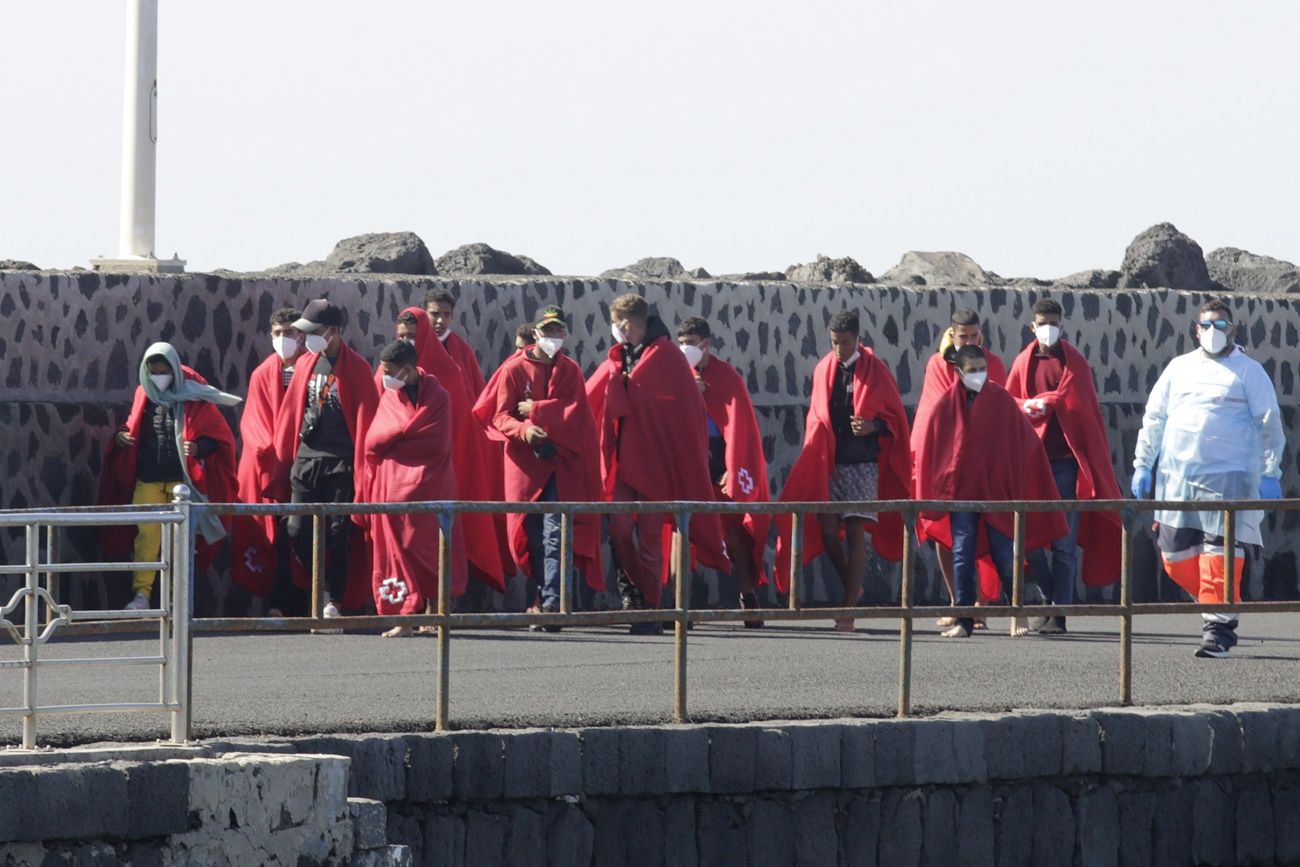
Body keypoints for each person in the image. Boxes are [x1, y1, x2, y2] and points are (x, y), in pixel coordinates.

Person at [1132, 299, 1285, 658]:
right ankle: (1218, 606)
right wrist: (1143, 463)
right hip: (1179, 479)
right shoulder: (1178, 368)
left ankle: (1218, 629)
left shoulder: (1248, 371)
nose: (1213, 332)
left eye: (1221, 325)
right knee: (1174, 556)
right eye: (1207, 325)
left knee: (1219, 554)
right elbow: (1155, 417)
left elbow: (1269, 423)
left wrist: (1269, 471)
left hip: (1229, 479)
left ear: (1232, 329)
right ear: (1195, 330)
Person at [586, 293, 730, 635]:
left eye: (617, 323)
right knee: (619, 530)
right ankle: (641, 595)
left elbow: (682, 413)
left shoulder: (666, 357)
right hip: (625, 460)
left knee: (650, 539)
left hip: (656, 464)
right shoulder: (624, 355)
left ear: (626, 323)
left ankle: (649, 608)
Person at [912, 345, 1068, 637]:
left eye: (982, 369)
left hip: (997, 491)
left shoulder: (1000, 399)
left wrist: (1019, 480)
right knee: (961, 552)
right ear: (958, 372)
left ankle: (1016, 611)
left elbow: (1024, 442)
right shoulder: (945, 405)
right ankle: (964, 619)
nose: (979, 375)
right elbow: (933, 447)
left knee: (1005, 555)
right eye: (972, 371)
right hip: (962, 493)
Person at [775, 311, 912, 631]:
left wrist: (872, 425)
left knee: (855, 534)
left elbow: (895, 418)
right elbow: (816, 416)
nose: (839, 349)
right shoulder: (825, 369)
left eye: (846, 343)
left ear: (858, 339)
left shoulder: (876, 371)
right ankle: (853, 588)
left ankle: (848, 608)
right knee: (826, 531)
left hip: (863, 464)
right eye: (835, 342)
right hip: (831, 463)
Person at [473, 307, 605, 632]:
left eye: (559, 332)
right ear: (536, 334)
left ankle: (551, 605)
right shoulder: (513, 370)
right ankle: (540, 599)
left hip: (560, 466)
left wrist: (537, 411)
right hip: (525, 468)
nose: (553, 338)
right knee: (530, 537)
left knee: (556, 536)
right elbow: (500, 415)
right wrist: (525, 431)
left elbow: (576, 413)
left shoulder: (571, 371)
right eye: (548, 332)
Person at [1006, 298, 1124, 634]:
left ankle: (1059, 613)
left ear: (1062, 325)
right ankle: (1048, 597)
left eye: (1053, 323)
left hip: (1065, 466)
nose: (1048, 329)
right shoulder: (1022, 363)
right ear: (1032, 326)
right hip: (1031, 467)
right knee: (1025, 540)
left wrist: (1055, 404)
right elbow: (1008, 403)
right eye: (1042, 322)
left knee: (1064, 543)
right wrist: (1028, 406)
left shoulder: (1075, 365)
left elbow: (1086, 414)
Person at [98, 343, 240, 610]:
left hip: (180, 483)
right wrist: (120, 438)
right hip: (148, 478)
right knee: (147, 536)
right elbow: (132, 424)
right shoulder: (144, 393)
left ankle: (178, 596)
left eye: (163, 371)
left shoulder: (193, 396)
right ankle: (142, 594)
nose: (158, 377)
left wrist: (200, 447)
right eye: (153, 371)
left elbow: (217, 436)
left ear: (174, 370)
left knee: (180, 541)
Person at [268, 299, 379, 618]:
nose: (305, 339)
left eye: (312, 331)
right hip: (306, 458)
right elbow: (291, 413)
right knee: (296, 529)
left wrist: (362, 470)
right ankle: (315, 584)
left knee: (337, 533)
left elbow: (366, 418)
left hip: (340, 461)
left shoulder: (357, 368)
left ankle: (333, 596)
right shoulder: (305, 363)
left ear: (332, 332)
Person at [394, 308, 506, 594]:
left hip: (441, 472)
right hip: (399, 476)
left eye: (413, 337)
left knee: (440, 537)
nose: (408, 343)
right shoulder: (391, 372)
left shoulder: (446, 373)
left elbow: (461, 428)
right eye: (402, 337)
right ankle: (411, 604)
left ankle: (439, 605)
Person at [911, 308, 1008, 628]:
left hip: (985, 466)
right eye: (963, 335)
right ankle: (958, 600)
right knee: (946, 535)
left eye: (974, 335)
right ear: (952, 335)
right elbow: (935, 413)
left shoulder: (993, 365)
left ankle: (982, 603)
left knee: (988, 536)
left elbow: (1001, 409)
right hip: (947, 465)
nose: (969, 340)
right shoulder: (938, 365)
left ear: (981, 334)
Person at [363, 340, 465, 637]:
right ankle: (405, 618)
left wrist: (398, 437)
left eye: (390, 371)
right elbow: (374, 438)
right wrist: (402, 434)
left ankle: (436, 613)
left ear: (407, 370)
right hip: (392, 487)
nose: (385, 377)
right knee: (398, 552)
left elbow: (435, 442)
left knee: (433, 550)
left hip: (432, 485)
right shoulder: (390, 396)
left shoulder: (438, 397)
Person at [677, 316, 771, 627]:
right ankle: (680, 606)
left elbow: (739, 426)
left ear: (706, 344)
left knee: (733, 533)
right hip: (689, 459)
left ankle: (748, 596)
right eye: (682, 343)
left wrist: (733, 468)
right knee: (683, 531)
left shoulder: (726, 376)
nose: (686, 349)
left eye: (692, 344)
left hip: (721, 461)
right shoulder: (676, 374)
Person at [230, 308, 307, 616]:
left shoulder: (312, 369)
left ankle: (302, 603)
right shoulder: (263, 373)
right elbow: (255, 421)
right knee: (275, 538)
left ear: (301, 335)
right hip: (271, 471)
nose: (283, 338)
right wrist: (272, 450)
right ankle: (277, 603)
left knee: (300, 536)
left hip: (303, 467)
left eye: (289, 332)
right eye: (277, 333)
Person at [424, 287, 486, 400]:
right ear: (424, 314)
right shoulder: (415, 347)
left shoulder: (463, 351)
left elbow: (479, 392)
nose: (440, 320)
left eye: (446, 314)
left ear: (452, 316)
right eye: (435, 314)